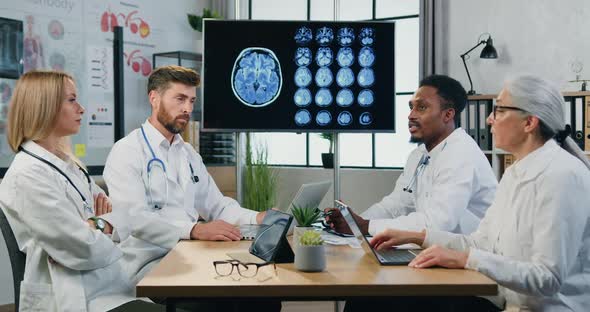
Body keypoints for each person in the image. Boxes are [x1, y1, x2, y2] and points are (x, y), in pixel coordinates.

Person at [368, 75, 590, 311]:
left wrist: (466, 259)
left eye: (500, 110)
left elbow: (548, 278)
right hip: (511, 304)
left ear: (529, 123)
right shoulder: (514, 173)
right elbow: (480, 242)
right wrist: (419, 237)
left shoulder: (562, 176)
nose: (489, 119)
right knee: (375, 301)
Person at [0, 71, 178, 312]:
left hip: (110, 287)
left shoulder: (69, 166)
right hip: (76, 299)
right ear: (45, 107)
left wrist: (96, 225)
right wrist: (103, 225)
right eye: (71, 100)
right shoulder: (26, 175)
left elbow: (124, 216)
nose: (82, 109)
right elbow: (82, 248)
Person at [103, 65, 268, 243]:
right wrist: (194, 230)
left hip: (187, 252)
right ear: (154, 98)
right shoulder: (127, 151)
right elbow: (133, 220)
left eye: (191, 101)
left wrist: (258, 218)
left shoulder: (188, 154)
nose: (187, 109)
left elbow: (217, 206)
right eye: (180, 99)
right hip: (146, 260)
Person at [326, 75, 497, 236]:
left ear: (448, 115)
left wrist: (365, 226)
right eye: (411, 107)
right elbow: (396, 205)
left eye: (421, 107)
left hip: (471, 256)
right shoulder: (419, 155)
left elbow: (436, 224)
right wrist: (355, 222)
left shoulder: (461, 154)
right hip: (441, 250)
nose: (411, 115)